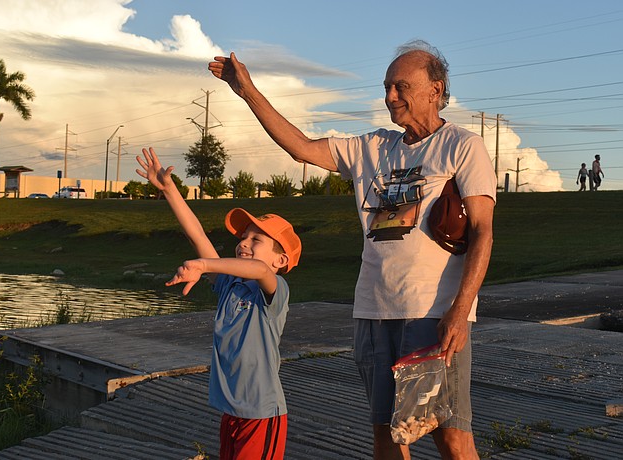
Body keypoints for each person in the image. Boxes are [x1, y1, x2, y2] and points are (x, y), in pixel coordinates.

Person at [209, 39, 496, 460]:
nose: (389, 96)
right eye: (386, 87)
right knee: (386, 434)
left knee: (450, 436)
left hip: (431, 315)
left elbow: (483, 232)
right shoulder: (372, 148)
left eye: (400, 87)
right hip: (373, 313)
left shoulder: (461, 145)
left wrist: (460, 309)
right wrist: (248, 91)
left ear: (435, 90)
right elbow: (301, 148)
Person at [136, 147, 302, 460]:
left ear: (281, 259)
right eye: (243, 237)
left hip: (262, 414)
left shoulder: (273, 291)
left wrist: (206, 266)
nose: (243, 243)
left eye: (256, 240)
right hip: (232, 411)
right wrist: (170, 191)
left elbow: (260, 271)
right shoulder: (230, 285)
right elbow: (196, 234)